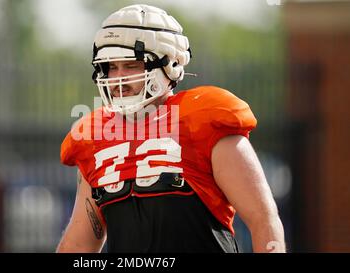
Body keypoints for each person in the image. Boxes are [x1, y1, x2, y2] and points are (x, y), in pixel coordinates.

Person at [57, 4, 285, 253]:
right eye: (111, 66)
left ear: (170, 63)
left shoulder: (204, 121)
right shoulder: (96, 138)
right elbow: (79, 244)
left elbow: (263, 219)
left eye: (131, 65)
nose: (118, 78)